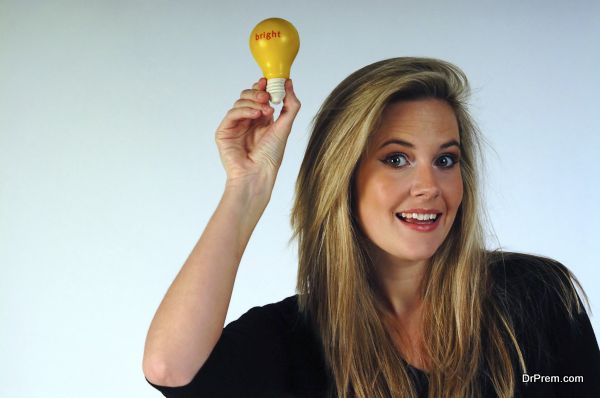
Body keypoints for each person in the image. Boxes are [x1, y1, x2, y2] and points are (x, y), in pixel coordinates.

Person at [142, 57, 600, 397]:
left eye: (445, 160)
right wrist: (247, 188)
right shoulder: (292, 341)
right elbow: (168, 368)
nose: (429, 186)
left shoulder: (537, 297)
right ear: (343, 178)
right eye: (396, 159)